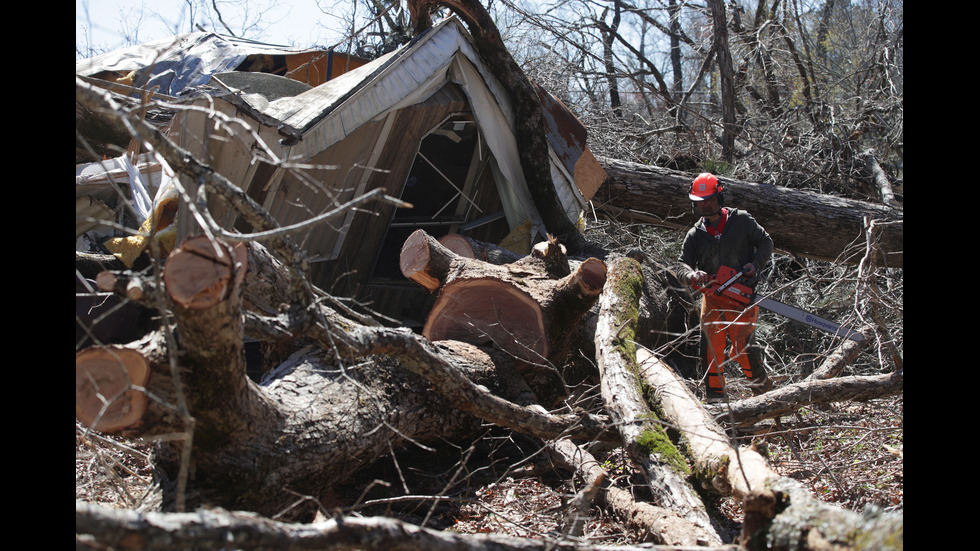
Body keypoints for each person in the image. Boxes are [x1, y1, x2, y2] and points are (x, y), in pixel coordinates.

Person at [676, 173, 774, 402]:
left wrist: (754, 265)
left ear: (719, 197)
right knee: (710, 349)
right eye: (700, 201)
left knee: (744, 349)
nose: (705, 205)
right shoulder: (695, 234)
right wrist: (692, 274)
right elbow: (681, 264)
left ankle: (762, 391)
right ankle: (716, 398)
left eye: (709, 199)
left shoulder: (741, 221)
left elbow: (766, 242)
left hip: (741, 295)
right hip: (713, 296)